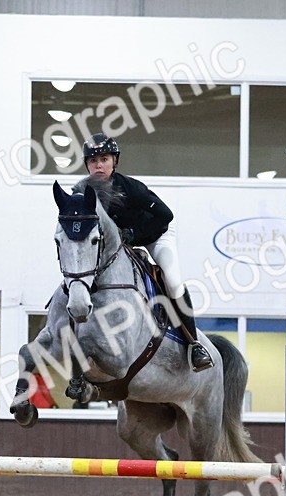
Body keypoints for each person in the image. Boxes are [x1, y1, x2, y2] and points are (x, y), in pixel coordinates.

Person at [80, 133, 213, 372]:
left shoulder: (131, 187)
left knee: (172, 282)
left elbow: (165, 214)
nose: (98, 165)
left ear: (114, 161)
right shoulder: (85, 193)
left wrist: (133, 234)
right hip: (121, 245)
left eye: (104, 159)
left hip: (155, 235)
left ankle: (194, 345)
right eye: (93, 161)